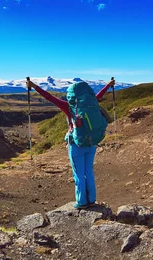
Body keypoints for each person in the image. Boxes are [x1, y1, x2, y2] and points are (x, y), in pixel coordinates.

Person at [27, 78, 115, 209]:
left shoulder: (69, 106)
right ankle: (91, 199)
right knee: (88, 171)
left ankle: (81, 202)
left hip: (76, 145)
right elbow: (100, 95)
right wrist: (109, 85)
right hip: (92, 143)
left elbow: (49, 97)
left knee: (78, 174)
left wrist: (34, 86)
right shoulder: (92, 102)